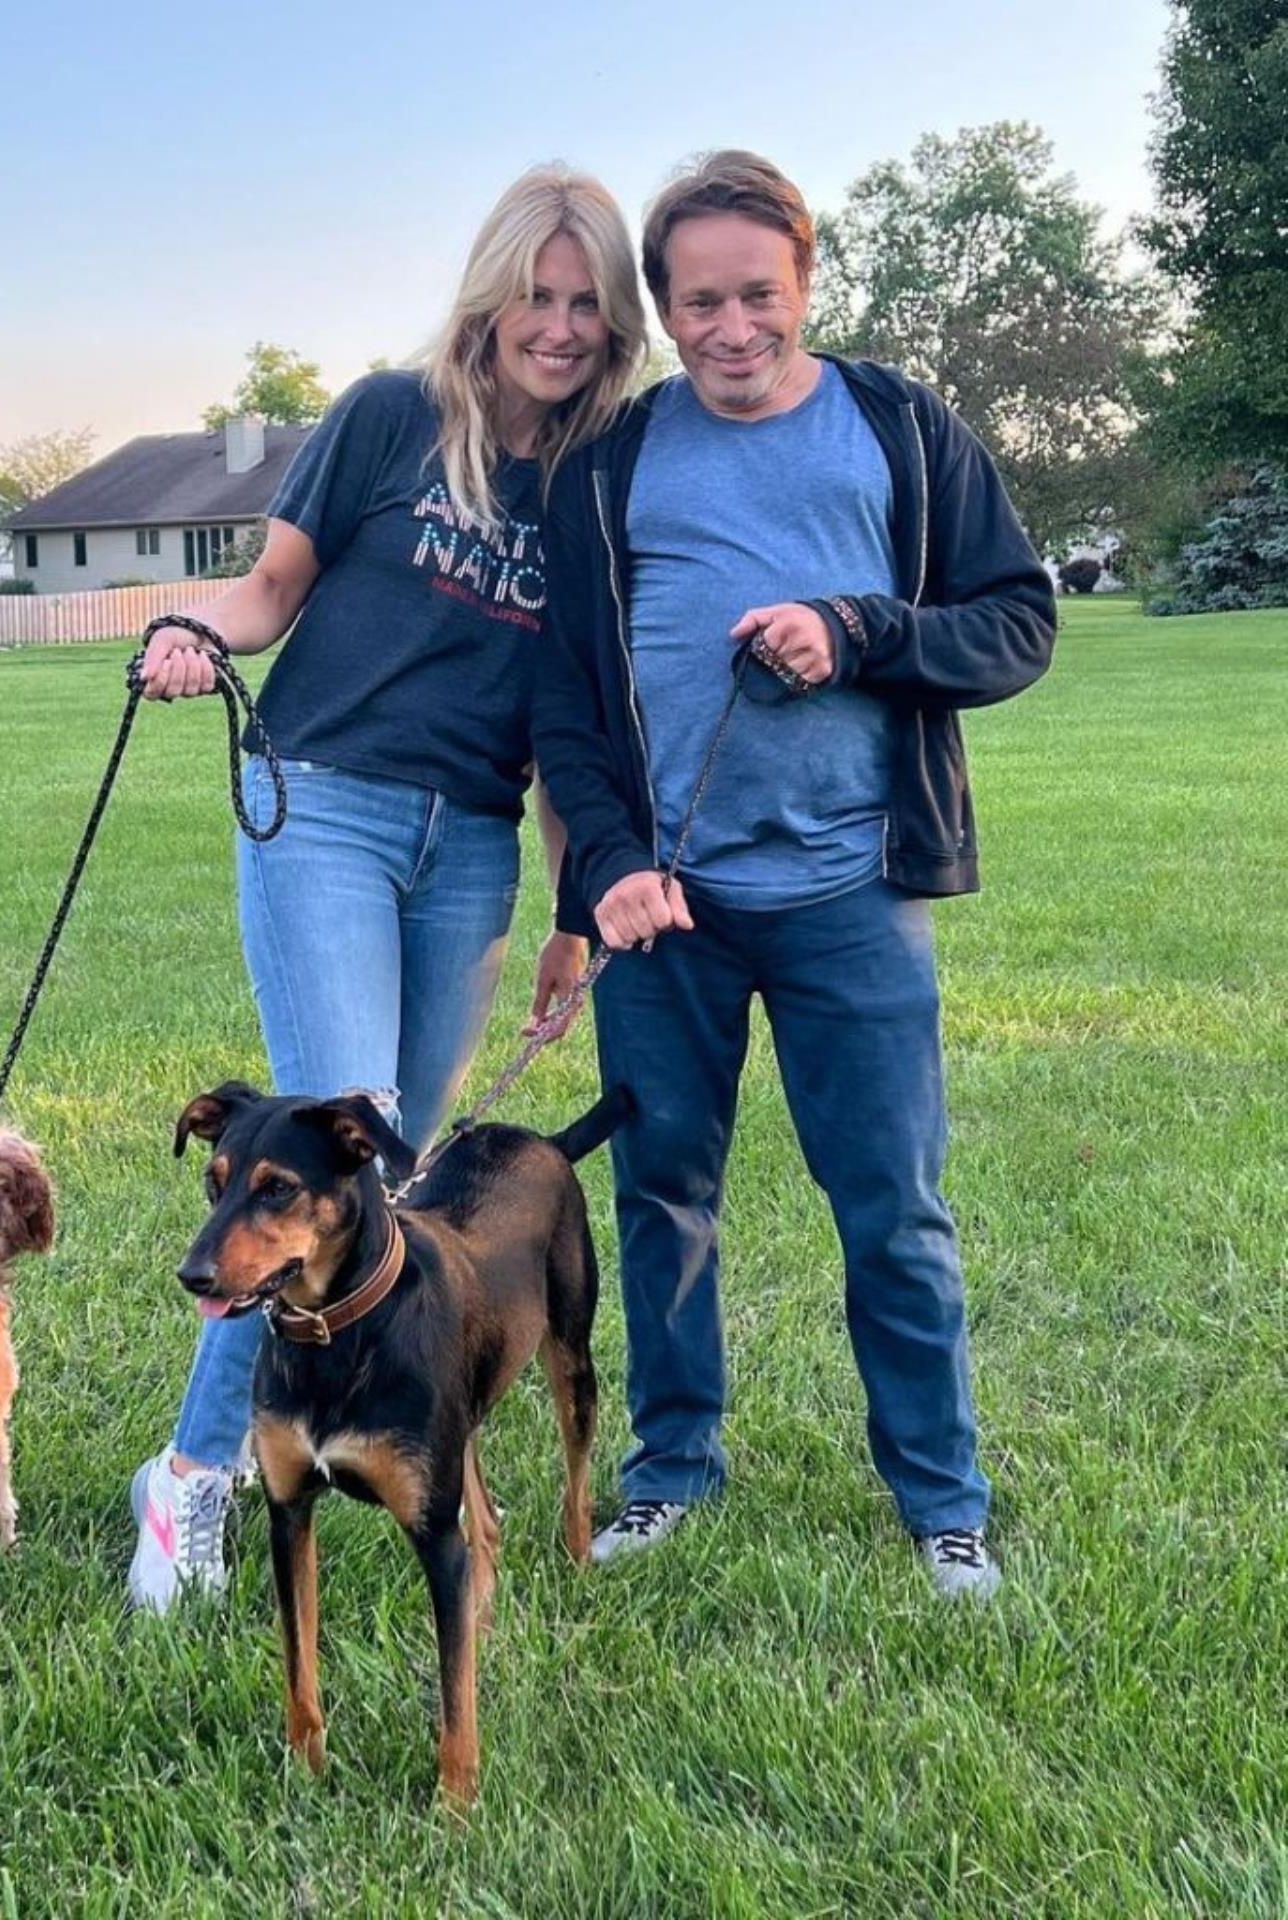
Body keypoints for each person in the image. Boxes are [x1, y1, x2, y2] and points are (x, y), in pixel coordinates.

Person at [533, 151, 1056, 1599]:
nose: (732, 328)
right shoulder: (613, 466)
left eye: (758, 295)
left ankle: (942, 1498)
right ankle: (673, 1467)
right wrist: (613, 872)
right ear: (665, 307)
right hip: (672, 914)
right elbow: (569, 706)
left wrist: (859, 631)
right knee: (664, 1200)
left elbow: (1016, 622)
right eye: (699, 302)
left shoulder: (898, 425)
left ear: (806, 283)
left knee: (893, 1205)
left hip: (852, 895)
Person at [125, 164, 647, 1612]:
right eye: (534, 295)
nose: (555, 327)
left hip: (471, 842)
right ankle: (190, 1481)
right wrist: (192, 627)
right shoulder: (384, 417)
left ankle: (384, 1445)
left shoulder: (591, 480)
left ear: (616, 323)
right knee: (331, 1148)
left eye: (585, 304)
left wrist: (561, 914)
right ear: (490, 291)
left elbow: (564, 720)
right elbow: (270, 590)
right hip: (326, 807)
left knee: (400, 1174)